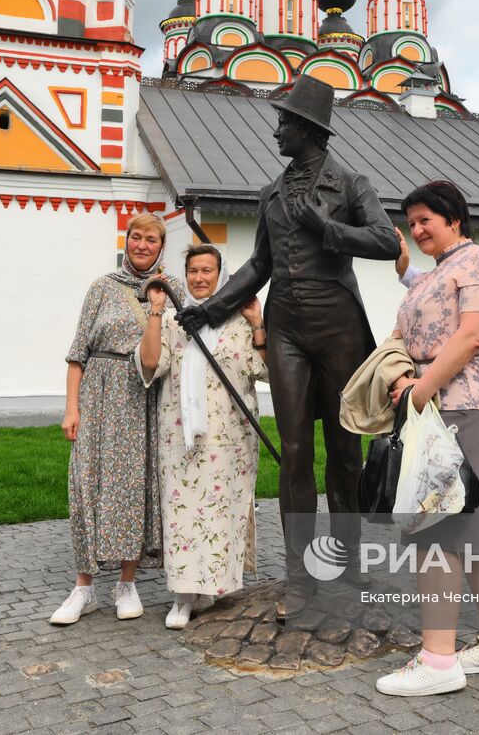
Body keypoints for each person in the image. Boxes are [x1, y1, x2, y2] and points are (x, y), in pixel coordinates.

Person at [176, 74, 401, 620]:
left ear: (306, 130)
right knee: (296, 452)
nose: (276, 131)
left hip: (340, 326)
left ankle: (345, 560)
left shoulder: (351, 183)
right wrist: (211, 308)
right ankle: (300, 576)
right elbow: (259, 265)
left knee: (345, 452)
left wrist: (327, 229)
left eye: (284, 122)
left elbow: (387, 241)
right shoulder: (271, 194)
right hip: (288, 330)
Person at [373, 181, 479, 697]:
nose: (417, 230)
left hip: (461, 406)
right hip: (439, 406)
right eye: (411, 223)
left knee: (439, 528)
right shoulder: (433, 275)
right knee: (474, 528)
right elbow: (400, 340)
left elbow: (475, 333)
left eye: (425, 220)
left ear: (454, 218)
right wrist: (401, 380)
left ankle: (438, 659)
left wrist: (419, 392)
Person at [52, 213, 186, 625]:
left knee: (133, 486)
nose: (142, 245)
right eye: (136, 237)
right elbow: (77, 355)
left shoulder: (171, 290)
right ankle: (84, 587)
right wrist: (72, 407)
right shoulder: (101, 288)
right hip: (97, 393)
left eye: (151, 239)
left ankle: (126, 583)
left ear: (161, 247)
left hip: (143, 397)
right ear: (126, 241)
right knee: (87, 484)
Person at [138, 244, 267, 630]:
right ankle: (181, 595)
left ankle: (212, 588)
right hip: (180, 437)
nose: (198, 278)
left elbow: (266, 372)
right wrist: (156, 312)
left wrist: (259, 323)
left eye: (207, 271)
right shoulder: (176, 322)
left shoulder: (239, 321)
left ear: (221, 275)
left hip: (230, 438)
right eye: (193, 271)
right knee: (182, 513)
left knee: (220, 512)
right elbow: (149, 365)